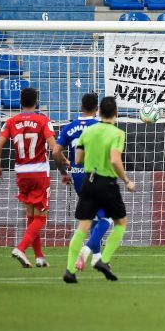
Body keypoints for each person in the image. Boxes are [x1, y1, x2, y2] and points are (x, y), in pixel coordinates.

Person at [63, 96, 135, 283]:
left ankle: (70, 271)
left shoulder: (89, 131)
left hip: (88, 181)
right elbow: (114, 160)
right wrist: (126, 180)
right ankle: (103, 260)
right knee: (120, 222)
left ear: (100, 112)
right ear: (116, 113)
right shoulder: (117, 133)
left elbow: (77, 159)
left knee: (83, 226)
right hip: (107, 183)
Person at [0, 87, 67, 268]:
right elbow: (54, 148)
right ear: (36, 102)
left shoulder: (11, 121)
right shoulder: (43, 120)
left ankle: (39, 256)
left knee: (31, 216)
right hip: (39, 173)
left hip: (21, 173)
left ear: (20, 101)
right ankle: (20, 248)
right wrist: (64, 163)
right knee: (41, 217)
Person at [52, 93, 112, 271]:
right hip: (94, 174)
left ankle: (98, 256)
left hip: (77, 176)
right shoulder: (100, 126)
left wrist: (64, 170)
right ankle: (85, 252)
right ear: (97, 109)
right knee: (107, 217)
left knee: (94, 216)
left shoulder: (69, 127)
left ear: (81, 107)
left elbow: (55, 152)